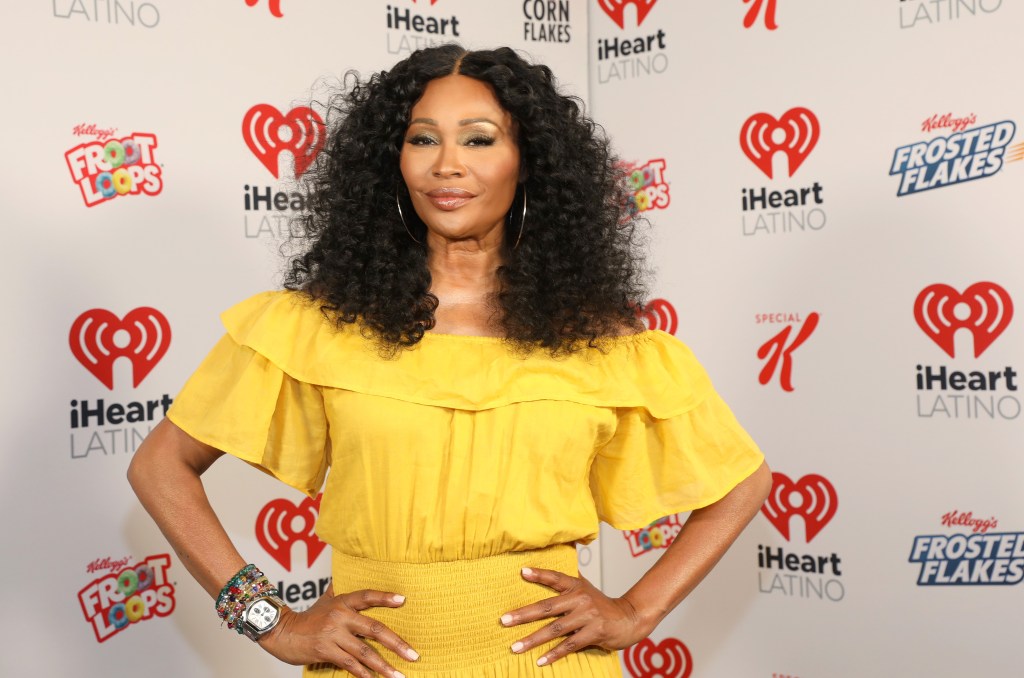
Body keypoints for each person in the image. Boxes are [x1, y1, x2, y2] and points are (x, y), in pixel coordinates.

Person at [128, 44, 771, 678]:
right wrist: (271, 619)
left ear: (529, 162)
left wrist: (635, 611)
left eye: (480, 140)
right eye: (422, 139)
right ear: (393, 161)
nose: (447, 166)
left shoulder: (601, 344)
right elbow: (161, 466)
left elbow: (742, 482)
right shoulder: (314, 326)